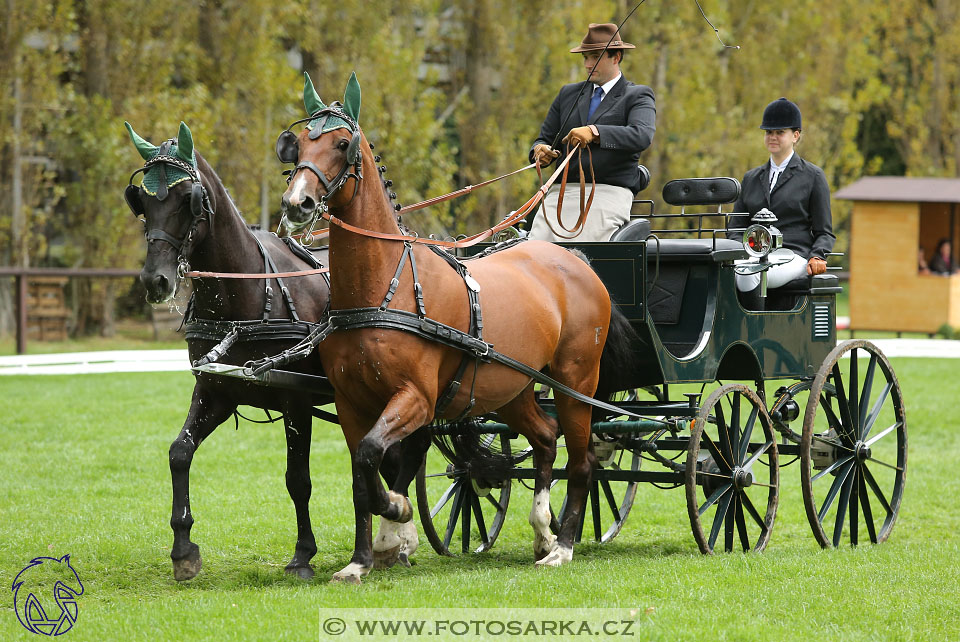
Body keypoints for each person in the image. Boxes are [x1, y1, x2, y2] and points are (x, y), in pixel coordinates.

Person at [527, 23, 656, 242]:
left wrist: (595, 132)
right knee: (534, 250)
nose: (587, 64)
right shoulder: (568, 94)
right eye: (585, 58)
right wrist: (540, 151)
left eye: (594, 57)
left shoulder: (637, 95)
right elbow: (544, 139)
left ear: (616, 57)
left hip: (609, 192)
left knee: (583, 251)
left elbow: (641, 135)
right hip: (561, 193)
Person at [729, 97, 835, 300]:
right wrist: (739, 251)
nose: (773, 137)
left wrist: (817, 255)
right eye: (769, 132)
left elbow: (824, 231)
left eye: (780, 132)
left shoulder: (813, 176)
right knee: (730, 270)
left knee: (750, 274)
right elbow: (736, 228)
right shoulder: (751, 178)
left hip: (793, 255)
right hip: (753, 255)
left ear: (795, 136)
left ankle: (752, 331)